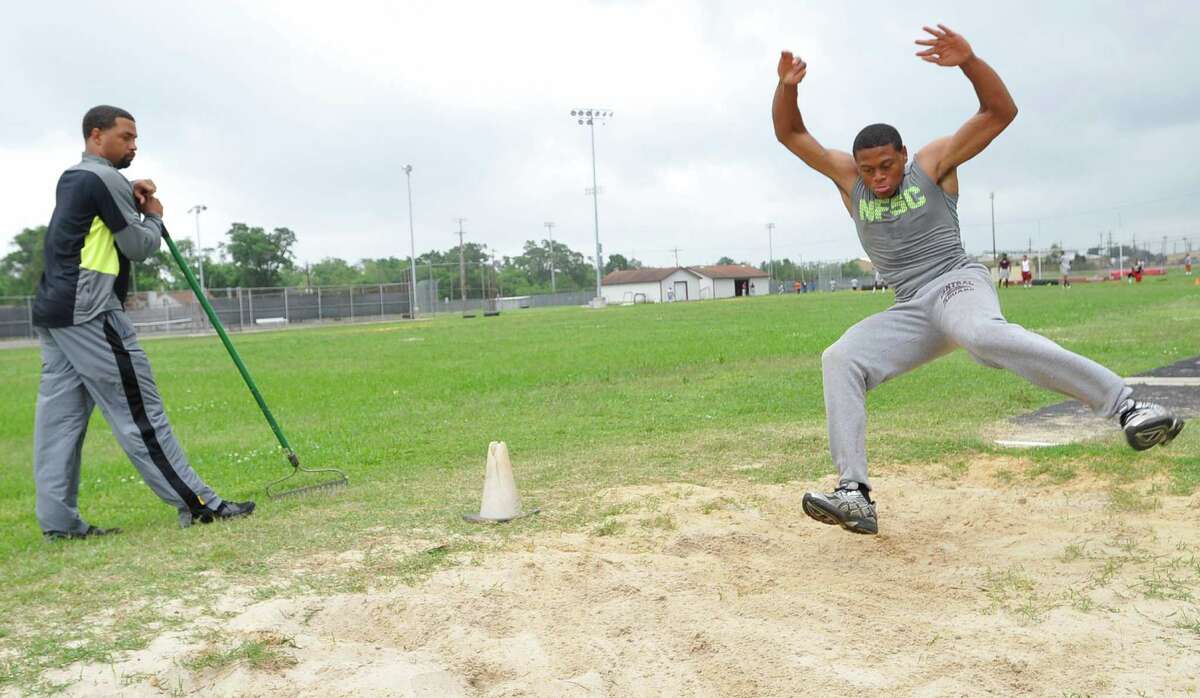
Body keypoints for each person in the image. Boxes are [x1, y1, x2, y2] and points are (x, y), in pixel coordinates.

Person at [771, 25, 1184, 535]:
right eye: (868, 170)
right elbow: (791, 135)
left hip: (956, 284)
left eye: (886, 166)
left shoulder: (933, 164)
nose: (877, 178)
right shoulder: (849, 180)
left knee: (984, 336)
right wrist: (787, 88)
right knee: (841, 358)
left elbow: (999, 112)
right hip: (911, 307)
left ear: (902, 155)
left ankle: (1128, 405)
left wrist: (969, 62)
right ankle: (854, 493)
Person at [32, 105, 256, 539]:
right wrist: (153, 214)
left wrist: (129, 194)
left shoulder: (75, 178)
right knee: (139, 409)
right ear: (96, 136)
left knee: (58, 423)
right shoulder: (106, 179)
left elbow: (102, 219)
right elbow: (137, 246)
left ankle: (59, 525)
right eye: (126, 137)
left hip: (54, 311)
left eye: (136, 139)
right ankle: (200, 504)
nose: (134, 145)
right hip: (92, 310)